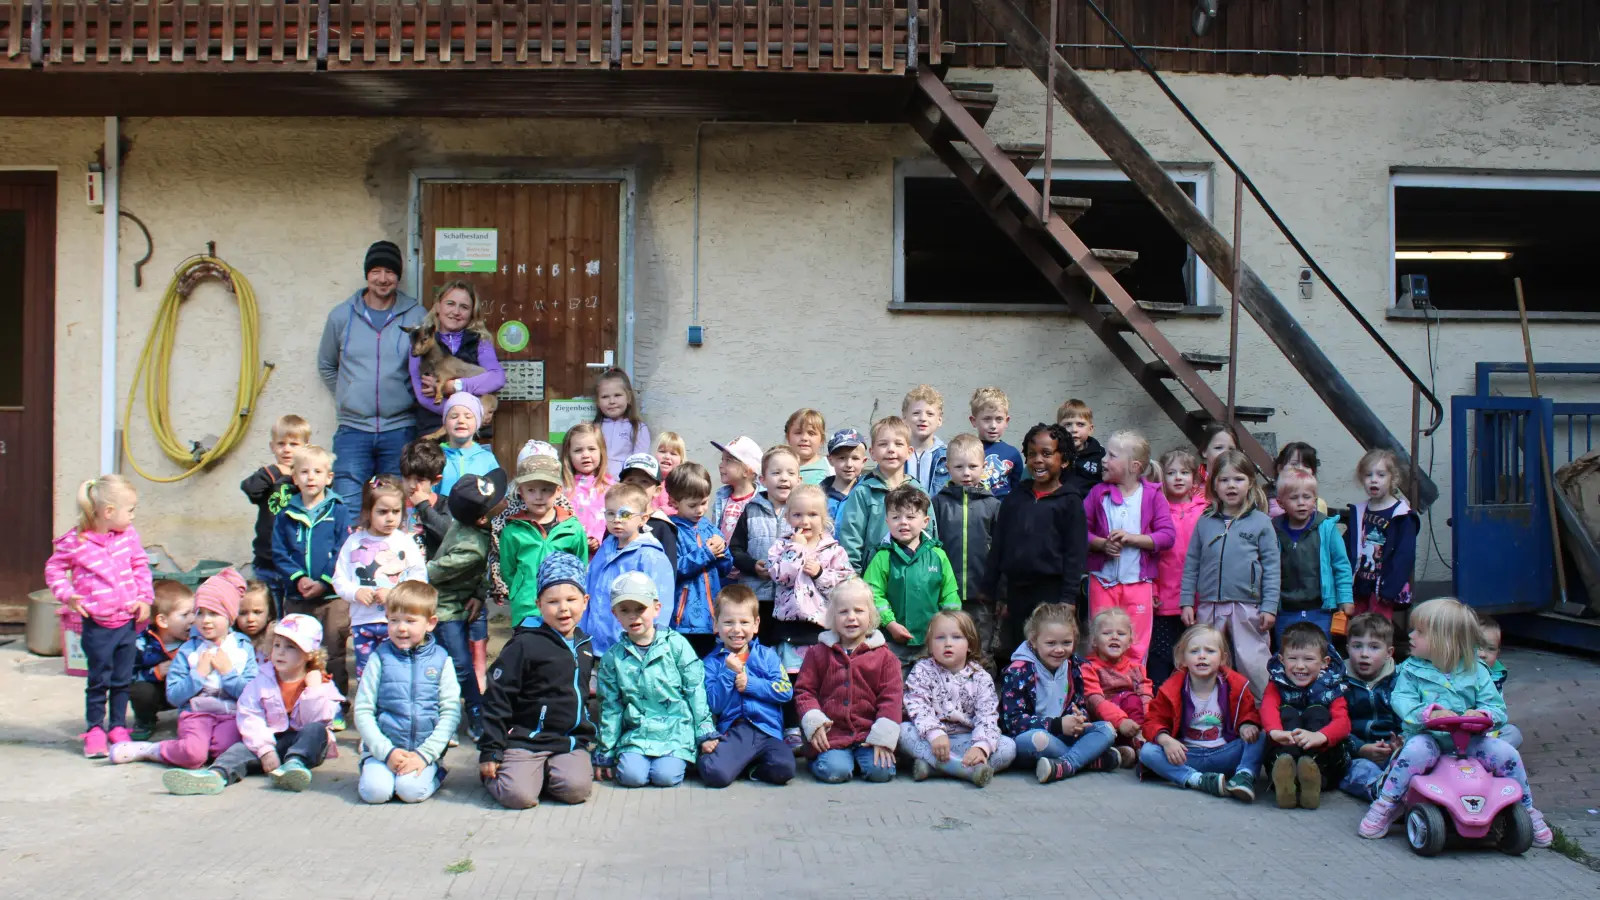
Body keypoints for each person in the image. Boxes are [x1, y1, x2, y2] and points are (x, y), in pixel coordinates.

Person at [1358, 598, 1551, 847]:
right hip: (1429, 738)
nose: (1411, 635)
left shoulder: (1477, 670)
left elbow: (1495, 706)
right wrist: (1427, 714)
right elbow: (1401, 700)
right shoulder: (1411, 670)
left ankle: (1527, 809)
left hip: (1470, 741)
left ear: (1444, 640)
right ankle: (1387, 803)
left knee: (1506, 753)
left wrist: (1484, 716)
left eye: (1419, 631)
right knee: (1414, 752)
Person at [162, 614, 342, 795]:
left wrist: (313, 691)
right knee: (239, 748)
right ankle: (216, 775)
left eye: (290, 647)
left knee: (316, 731)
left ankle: (293, 767)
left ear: (309, 654)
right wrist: (264, 750)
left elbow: (319, 720)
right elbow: (249, 714)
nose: (280, 652)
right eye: (277, 645)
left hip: (303, 745)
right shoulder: (261, 679)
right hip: (269, 741)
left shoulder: (321, 683)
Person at [46, 474, 154, 758]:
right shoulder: (76, 541)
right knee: (98, 680)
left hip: (127, 623)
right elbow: (54, 569)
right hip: (98, 625)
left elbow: (140, 566)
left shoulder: (128, 537)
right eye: (129, 510)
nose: (132, 516)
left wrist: (144, 599)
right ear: (108, 512)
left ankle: (118, 726)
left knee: (122, 679)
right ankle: (95, 729)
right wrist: (67, 594)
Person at [479, 552, 597, 810]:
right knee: (518, 797)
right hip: (525, 739)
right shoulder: (524, 644)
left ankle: (542, 774)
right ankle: (508, 774)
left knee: (576, 790)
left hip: (566, 741)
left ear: (585, 601)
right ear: (539, 604)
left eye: (571, 599)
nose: (563, 608)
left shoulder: (584, 644)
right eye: (552, 601)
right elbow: (497, 697)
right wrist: (491, 749)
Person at [109, 570, 258, 769]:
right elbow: (174, 696)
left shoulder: (242, 648)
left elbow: (251, 694)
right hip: (197, 714)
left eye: (214, 613)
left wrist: (228, 674)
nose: (205, 620)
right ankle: (150, 750)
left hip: (230, 713)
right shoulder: (188, 649)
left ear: (230, 616)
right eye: (200, 613)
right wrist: (198, 675)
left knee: (223, 751)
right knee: (193, 756)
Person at [318, 240, 425, 504]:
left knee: (394, 507)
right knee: (347, 506)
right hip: (353, 430)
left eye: (390, 272)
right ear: (367, 274)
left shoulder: (416, 315)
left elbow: (426, 365)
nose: (383, 278)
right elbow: (327, 365)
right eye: (376, 271)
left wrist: (410, 395)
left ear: (398, 277)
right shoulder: (342, 316)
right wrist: (348, 395)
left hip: (399, 429)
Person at [593, 572, 716, 789]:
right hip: (636, 734)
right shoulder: (612, 658)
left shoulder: (676, 645)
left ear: (656, 608)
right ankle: (636, 760)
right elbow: (611, 706)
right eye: (625, 611)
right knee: (632, 777)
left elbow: (695, 689)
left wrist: (704, 732)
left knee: (664, 777)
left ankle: (679, 759)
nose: (634, 617)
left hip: (675, 731)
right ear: (615, 614)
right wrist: (606, 752)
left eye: (640, 609)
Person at [1180, 449, 1279, 696]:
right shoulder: (1205, 520)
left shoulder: (1261, 522)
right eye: (1224, 480)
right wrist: (1186, 602)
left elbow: (1272, 567)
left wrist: (1269, 606)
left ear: (1250, 483)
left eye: (1238, 479)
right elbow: (1192, 563)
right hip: (1210, 605)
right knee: (1208, 660)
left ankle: (1263, 710)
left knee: (1252, 660)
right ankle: (1210, 710)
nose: (1231, 486)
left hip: (1247, 606)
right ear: (1214, 485)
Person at [984, 423, 1087, 655]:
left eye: (1047, 454)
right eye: (1032, 454)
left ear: (1064, 460)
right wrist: (992, 590)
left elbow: (1075, 553)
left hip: (1053, 593)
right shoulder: (1016, 498)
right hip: (1017, 592)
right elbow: (999, 544)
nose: (1038, 460)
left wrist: (1069, 598)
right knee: (1020, 650)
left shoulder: (1070, 501)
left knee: (1050, 651)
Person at [354, 581, 461, 804]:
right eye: (394, 620)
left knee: (410, 792)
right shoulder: (379, 658)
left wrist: (425, 754)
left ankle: (436, 772)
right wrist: (386, 752)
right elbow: (363, 710)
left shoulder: (442, 660)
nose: (401, 628)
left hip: (423, 752)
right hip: (383, 751)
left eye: (410, 621)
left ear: (430, 623)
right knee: (376, 793)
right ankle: (374, 771)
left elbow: (450, 711)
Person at [271, 444, 354, 719]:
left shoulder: (338, 510)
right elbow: (279, 551)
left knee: (333, 653)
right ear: (294, 478)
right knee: (297, 652)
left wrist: (323, 581)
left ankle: (336, 706)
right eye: (304, 472)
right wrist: (298, 578)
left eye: (317, 472)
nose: (310, 477)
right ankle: (295, 704)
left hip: (331, 599)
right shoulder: (285, 514)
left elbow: (345, 548)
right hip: (296, 596)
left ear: (328, 477)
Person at [1138, 623, 1263, 802]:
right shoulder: (1171, 689)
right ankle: (1197, 780)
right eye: (1194, 651)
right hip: (1187, 755)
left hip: (1224, 753)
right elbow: (1152, 721)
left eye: (1210, 651)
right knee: (1148, 752)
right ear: (1183, 659)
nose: (1202, 656)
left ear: (1222, 658)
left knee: (1260, 736)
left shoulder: (1236, 686)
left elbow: (1249, 712)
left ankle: (1244, 776)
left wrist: (1247, 724)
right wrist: (1166, 740)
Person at [794, 579, 904, 784]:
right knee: (835, 771)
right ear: (832, 617)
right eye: (843, 612)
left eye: (859, 611)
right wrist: (815, 723)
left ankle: (860, 759)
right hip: (832, 736)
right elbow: (804, 691)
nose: (851, 618)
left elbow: (892, 698)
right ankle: (823, 759)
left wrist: (882, 738)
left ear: (870, 615)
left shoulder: (885, 657)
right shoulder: (818, 653)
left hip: (868, 736)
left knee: (882, 772)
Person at [1000, 603, 1118, 783]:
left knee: (1106, 729)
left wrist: (1079, 718)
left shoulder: (1075, 665)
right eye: (1050, 643)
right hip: (1032, 738)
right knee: (1038, 740)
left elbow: (1078, 703)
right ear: (1033, 641)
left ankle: (1066, 764)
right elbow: (1013, 723)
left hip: (1064, 735)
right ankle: (1088, 759)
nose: (1059, 649)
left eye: (1066, 643)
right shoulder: (1018, 671)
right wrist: (1057, 725)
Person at [428, 471, 508, 740]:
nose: (504, 499)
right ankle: (475, 711)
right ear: (483, 518)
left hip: (464, 600)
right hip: (444, 609)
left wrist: (477, 593)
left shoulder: (474, 526)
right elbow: (432, 572)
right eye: (498, 499)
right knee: (459, 663)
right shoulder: (471, 548)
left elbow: (480, 574)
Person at [1084, 430, 1174, 665]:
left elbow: (1167, 536)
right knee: (1100, 640)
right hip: (1102, 582)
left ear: (1134, 466)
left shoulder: (1152, 495)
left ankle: (1135, 696)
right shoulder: (1097, 493)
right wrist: (1102, 544)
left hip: (1138, 584)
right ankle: (1099, 695)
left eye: (1111, 455)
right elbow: (1079, 532)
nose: (1104, 460)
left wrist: (1132, 539)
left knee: (1136, 644)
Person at [900, 610, 1016, 787]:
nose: (948, 644)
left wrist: (981, 747)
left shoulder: (980, 677)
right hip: (931, 740)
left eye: (956, 637)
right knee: (902, 731)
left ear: (970, 644)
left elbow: (987, 716)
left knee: (1008, 747)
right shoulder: (922, 670)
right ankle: (966, 771)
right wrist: (935, 734)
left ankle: (937, 768)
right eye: (940, 638)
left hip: (966, 740)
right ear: (930, 645)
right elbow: (917, 705)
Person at [333, 475, 429, 685]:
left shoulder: (405, 542)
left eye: (396, 512)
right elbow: (339, 579)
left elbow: (419, 579)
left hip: (398, 624)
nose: (390, 518)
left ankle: (397, 713)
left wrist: (394, 595)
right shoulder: (353, 541)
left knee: (398, 674)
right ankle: (369, 714)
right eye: (383, 512)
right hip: (363, 623)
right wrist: (355, 593)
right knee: (367, 677)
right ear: (368, 512)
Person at [698, 585, 797, 788]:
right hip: (735, 731)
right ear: (715, 624)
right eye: (728, 622)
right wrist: (728, 673)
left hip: (767, 730)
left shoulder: (767, 656)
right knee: (716, 774)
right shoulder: (711, 663)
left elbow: (785, 691)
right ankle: (724, 760)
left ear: (756, 624)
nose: (737, 629)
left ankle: (751, 769)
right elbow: (713, 704)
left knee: (784, 768)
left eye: (744, 622)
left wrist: (751, 684)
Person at [864, 484, 961, 673]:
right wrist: (890, 623)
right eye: (895, 517)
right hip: (892, 643)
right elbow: (872, 594)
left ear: (925, 521)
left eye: (910, 517)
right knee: (895, 691)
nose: (903, 523)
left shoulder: (938, 555)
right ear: (887, 521)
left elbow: (950, 595)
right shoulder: (882, 556)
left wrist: (945, 629)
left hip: (932, 644)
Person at [581, 482, 676, 657]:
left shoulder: (650, 557)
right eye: (610, 513)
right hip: (594, 647)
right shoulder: (604, 550)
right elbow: (588, 591)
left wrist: (649, 645)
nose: (617, 519)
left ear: (643, 519)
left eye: (625, 514)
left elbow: (661, 603)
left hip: (631, 650)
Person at [495, 453, 589, 628]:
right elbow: (508, 571)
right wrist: (520, 590)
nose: (538, 496)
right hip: (527, 609)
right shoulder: (512, 531)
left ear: (558, 490)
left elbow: (580, 565)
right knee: (529, 652)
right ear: (521, 491)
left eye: (546, 489)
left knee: (561, 653)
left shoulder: (572, 528)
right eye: (531, 490)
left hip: (563, 611)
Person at [1262, 622, 1350, 810]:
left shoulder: (1331, 686)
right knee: (1288, 713)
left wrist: (1320, 736)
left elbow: (1343, 722)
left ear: (1325, 662)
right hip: (1287, 747)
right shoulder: (1277, 682)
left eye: (1308, 659)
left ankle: (1313, 778)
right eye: (1292, 658)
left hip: (1322, 756)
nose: (1300, 666)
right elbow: (1268, 707)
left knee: (1317, 711)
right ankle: (1286, 780)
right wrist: (1275, 732)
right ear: (1281, 659)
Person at [768, 483, 853, 676]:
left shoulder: (834, 550)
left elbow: (843, 589)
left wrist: (820, 574)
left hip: (822, 629)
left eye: (812, 515)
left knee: (822, 679)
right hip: (789, 629)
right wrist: (796, 550)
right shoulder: (781, 546)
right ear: (788, 517)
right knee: (793, 679)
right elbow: (782, 577)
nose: (805, 521)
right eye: (798, 515)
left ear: (823, 518)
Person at [934, 433, 1002, 663]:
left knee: (981, 649)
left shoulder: (992, 505)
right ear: (947, 466)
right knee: (948, 647)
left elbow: (1001, 551)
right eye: (959, 466)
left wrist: (999, 591)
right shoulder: (938, 504)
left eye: (973, 466)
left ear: (983, 466)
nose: (966, 473)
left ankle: (984, 696)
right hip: (946, 593)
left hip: (982, 592)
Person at [407, 280, 506, 435]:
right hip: (433, 430)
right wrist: (466, 414)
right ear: (438, 306)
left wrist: (453, 386)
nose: (456, 311)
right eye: (450, 304)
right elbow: (423, 397)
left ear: (472, 312)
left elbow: (497, 378)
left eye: (464, 307)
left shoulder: (481, 341)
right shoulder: (422, 341)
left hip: (473, 435)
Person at [837, 416, 935, 572]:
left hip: (914, 575)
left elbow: (929, 535)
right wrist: (853, 577)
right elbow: (851, 539)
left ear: (909, 451)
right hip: (873, 577)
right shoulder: (863, 492)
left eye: (898, 444)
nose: (891, 449)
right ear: (872, 453)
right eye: (883, 444)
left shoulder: (919, 491)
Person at [1272, 465, 1354, 644]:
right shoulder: (1274, 530)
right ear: (1280, 503)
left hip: (1320, 608)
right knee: (1286, 651)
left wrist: (1345, 598)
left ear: (1315, 500)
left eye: (1306, 497)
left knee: (1320, 651)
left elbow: (1341, 566)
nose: (1301, 502)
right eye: (1294, 498)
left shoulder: (1327, 529)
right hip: (1285, 608)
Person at [667, 462, 736, 656]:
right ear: (673, 502)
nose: (700, 510)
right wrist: (707, 553)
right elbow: (674, 569)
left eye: (704, 503)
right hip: (683, 621)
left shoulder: (709, 527)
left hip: (711, 619)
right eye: (692, 505)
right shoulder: (671, 530)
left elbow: (726, 568)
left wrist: (722, 553)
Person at [240, 414, 309, 607]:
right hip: (266, 561)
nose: (287, 449)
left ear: (305, 447)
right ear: (272, 447)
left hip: (296, 564)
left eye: (294, 444)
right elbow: (250, 489)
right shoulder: (269, 476)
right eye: (281, 444)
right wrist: (277, 471)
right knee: (266, 612)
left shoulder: (307, 478)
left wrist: (297, 475)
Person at [1345, 448, 1419, 622]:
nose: (1373, 480)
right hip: (1359, 586)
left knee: (1378, 631)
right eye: (1368, 475)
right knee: (1356, 628)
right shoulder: (1359, 512)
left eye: (1381, 475)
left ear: (1393, 478)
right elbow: (1347, 549)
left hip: (1383, 589)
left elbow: (1404, 556)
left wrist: (1389, 590)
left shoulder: (1402, 516)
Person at [1153, 447, 1205, 686]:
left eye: (1184, 472)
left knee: (1196, 655)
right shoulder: (1156, 508)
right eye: (1171, 472)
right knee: (1163, 657)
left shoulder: (1206, 509)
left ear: (1195, 477)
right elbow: (1149, 555)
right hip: (1165, 597)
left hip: (1198, 598)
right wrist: (1152, 590)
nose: (1178, 477)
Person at [731, 445, 800, 623]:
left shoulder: (802, 513)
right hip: (755, 596)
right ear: (762, 480)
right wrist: (752, 566)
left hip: (790, 598)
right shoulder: (751, 510)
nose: (784, 478)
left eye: (790, 473)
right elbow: (735, 549)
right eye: (776, 473)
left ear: (799, 480)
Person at [1339, 613, 1401, 802]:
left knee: (1410, 765)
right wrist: (1360, 748)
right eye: (1357, 646)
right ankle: (1381, 792)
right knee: (1359, 770)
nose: (1364, 654)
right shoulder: (1337, 682)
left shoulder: (1400, 680)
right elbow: (1335, 725)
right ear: (1348, 648)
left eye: (1374, 647)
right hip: (1355, 752)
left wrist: (1400, 743)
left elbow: (1408, 718)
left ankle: (1402, 792)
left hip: (1391, 750)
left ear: (1389, 652)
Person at [1081, 606, 1153, 767]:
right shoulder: (1089, 666)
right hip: (1103, 721)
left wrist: (1148, 721)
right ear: (1094, 640)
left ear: (1129, 641)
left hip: (1134, 723)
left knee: (1137, 701)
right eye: (1107, 633)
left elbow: (1146, 695)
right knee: (1129, 698)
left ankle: (1130, 747)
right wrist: (1121, 722)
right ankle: (1139, 747)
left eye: (1121, 634)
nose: (1114, 637)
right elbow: (1095, 700)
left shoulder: (1136, 668)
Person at [130, 581, 194, 741]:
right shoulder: (142, 645)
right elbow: (127, 677)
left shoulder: (195, 640)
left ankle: (198, 717)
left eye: (194, 612)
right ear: (163, 621)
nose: (192, 620)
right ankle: (145, 720)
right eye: (185, 615)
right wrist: (156, 672)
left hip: (186, 691)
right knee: (140, 691)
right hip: (160, 694)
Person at [619, 453, 678, 570]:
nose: (636, 486)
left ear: (657, 491)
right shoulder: (617, 520)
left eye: (644, 481)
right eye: (630, 480)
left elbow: (669, 571)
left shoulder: (662, 526)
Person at [562, 422, 613, 551]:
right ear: (568, 455)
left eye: (591, 449)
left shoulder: (612, 488)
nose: (585, 455)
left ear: (601, 451)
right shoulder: (562, 488)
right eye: (578, 450)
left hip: (603, 556)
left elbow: (617, 519)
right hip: (569, 554)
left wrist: (598, 537)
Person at [437, 393, 499, 498]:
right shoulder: (435, 457)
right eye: (454, 416)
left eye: (468, 416)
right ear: (445, 424)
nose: (461, 421)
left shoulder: (487, 459)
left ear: (477, 424)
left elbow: (498, 497)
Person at [593, 368, 650, 479]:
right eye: (605, 397)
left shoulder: (638, 428)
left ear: (628, 397)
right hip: (598, 483)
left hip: (625, 484)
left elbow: (640, 462)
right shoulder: (594, 428)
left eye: (617, 395)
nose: (612, 401)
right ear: (598, 402)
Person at [399, 437, 451, 559]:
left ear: (436, 480)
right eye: (407, 478)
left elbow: (447, 535)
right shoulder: (396, 502)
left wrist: (423, 505)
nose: (412, 485)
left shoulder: (443, 504)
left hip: (430, 572)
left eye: (420, 480)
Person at [1477, 616, 1522, 747]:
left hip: (1487, 729)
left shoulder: (1496, 675)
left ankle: (1484, 754)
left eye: (1490, 649)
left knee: (1513, 733)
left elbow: (1499, 711)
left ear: (1498, 653)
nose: (1482, 654)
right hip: (1458, 729)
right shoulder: (1456, 673)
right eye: (1476, 646)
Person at [969, 387, 1022, 497]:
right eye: (987, 419)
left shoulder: (1013, 454)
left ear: (1006, 421)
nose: (993, 426)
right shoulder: (967, 451)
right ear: (974, 421)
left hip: (1003, 511)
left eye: (999, 419)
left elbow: (1019, 492)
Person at [711, 435, 762, 542]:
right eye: (722, 460)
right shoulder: (722, 498)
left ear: (746, 471)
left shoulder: (760, 502)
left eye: (728, 461)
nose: (721, 465)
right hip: (724, 557)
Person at [903, 384, 949, 495]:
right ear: (904, 418)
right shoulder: (896, 454)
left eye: (930, 414)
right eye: (916, 413)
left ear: (939, 420)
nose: (923, 418)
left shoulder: (948, 456)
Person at [1268, 441, 1329, 518]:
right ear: (1280, 468)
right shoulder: (1264, 498)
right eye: (1294, 464)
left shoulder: (1319, 503)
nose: (1300, 468)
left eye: (1306, 465)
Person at [1056, 399, 1103, 496]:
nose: (1074, 430)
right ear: (1058, 429)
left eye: (1080, 424)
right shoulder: (1054, 453)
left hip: (1089, 506)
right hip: (1059, 504)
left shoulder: (1100, 454)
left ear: (1090, 429)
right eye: (1068, 424)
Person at [821, 428, 868, 524]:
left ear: (863, 461)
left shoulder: (868, 492)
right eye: (842, 458)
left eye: (855, 458)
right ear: (830, 460)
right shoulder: (819, 496)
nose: (849, 464)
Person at [786, 408, 833, 485]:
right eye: (798, 433)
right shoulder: (779, 468)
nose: (804, 438)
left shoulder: (831, 467)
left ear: (822, 439)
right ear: (788, 437)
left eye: (811, 433)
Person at [236, 581, 276, 667]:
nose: (250, 619)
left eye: (257, 612)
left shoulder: (276, 640)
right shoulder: (231, 642)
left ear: (269, 613)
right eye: (243, 613)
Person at [1194, 421, 1237, 501]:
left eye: (1231, 449)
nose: (1225, 453)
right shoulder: (1191, 482)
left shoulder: (1241, 483)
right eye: (1218, 448)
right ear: (1204, 451)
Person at [651, 431, 686, 515]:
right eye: (662, 451)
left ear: (681, 460)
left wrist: (663, 511)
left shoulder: (682, 485)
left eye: (673, 454)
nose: (667, 457)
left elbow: (686, 509)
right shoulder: (646, 482)